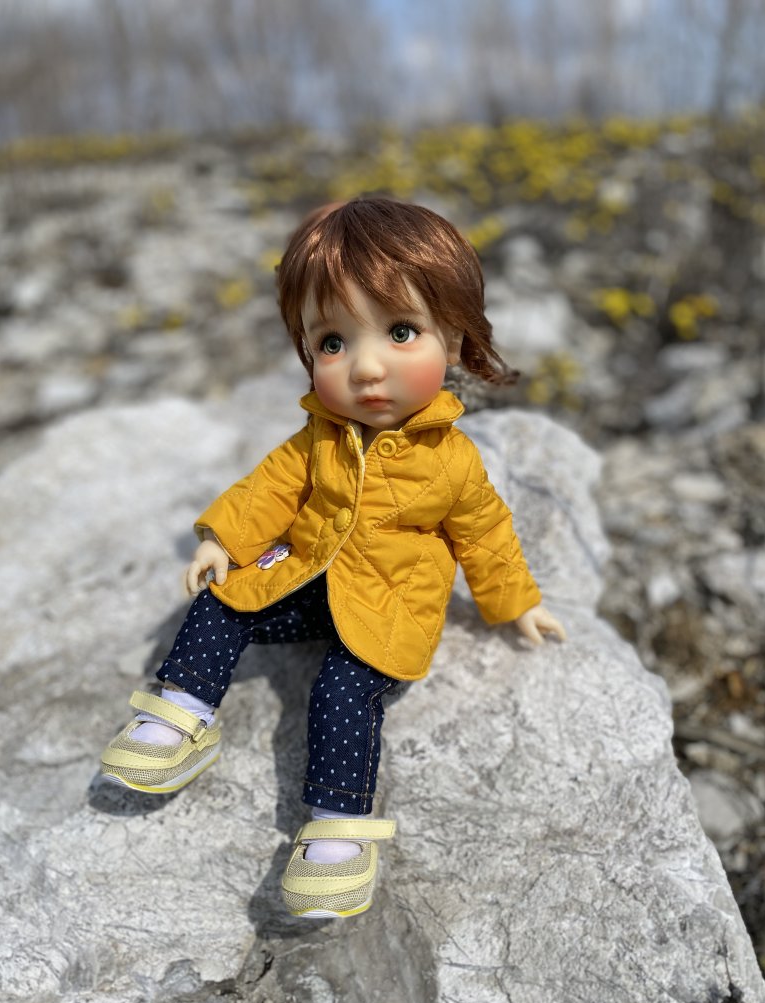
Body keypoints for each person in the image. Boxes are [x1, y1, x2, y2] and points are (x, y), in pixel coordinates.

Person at [100, 197, 566, 918]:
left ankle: (338, 828)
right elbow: (269, 491)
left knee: (343, 692)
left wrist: (517, 604)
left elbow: (486, 535)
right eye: (333, 343)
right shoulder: (320, 437)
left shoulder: (453, 462)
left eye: (401, 332)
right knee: (225, 599)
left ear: (454, 339)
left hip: (390, 608)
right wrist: (223, 540)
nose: (367, 368)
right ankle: (180, 714)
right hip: (310, 576)